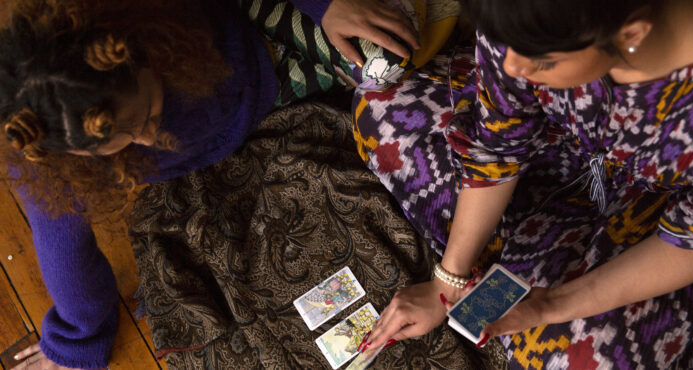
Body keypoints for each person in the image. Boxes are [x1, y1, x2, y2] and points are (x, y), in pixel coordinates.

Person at [0, 0, 420, 368]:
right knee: (383, 61)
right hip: (277, 95)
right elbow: (62, 252)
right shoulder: (52, 160)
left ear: (142, 46)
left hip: (250, 24)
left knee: (389, 52)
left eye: (148, 114)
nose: (147, 138)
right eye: (121, 142)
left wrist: (325, 5)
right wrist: (74, 340)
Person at [352, 0, 693, 367]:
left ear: (631, 33)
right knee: (382, 111)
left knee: (581, 354)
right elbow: (497, 143)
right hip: (556, 145)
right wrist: (447, 280)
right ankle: (523, 252)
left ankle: (526, 258)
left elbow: (690, 242)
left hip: (658, 218)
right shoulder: (525, 19)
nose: (511, 66)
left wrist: (551, 306)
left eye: (542, 59)